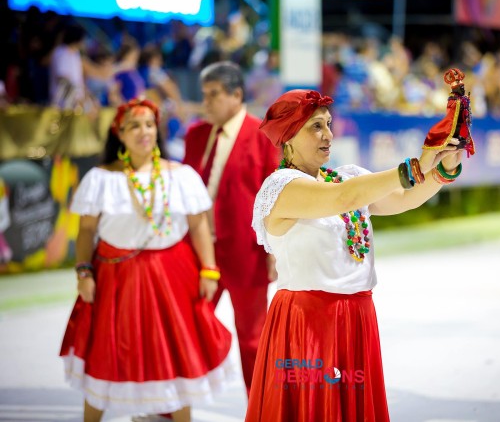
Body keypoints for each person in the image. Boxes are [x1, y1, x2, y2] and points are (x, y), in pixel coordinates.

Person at [246, 89, 464, 421]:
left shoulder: (345, 176)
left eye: (329, 124)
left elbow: (403, 199)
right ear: (288, 137)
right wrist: (414, 166)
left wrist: (444, 167)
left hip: (357, 318)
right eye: (315, 126)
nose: (328, 135)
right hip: (308, 323)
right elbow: (343, 198)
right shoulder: (282, 188)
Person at [59, 98, 233, 422]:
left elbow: (198, 226)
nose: (144, 132)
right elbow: (86, 232)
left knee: (177, 356)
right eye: (135, 126)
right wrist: (84, 272)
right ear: (120, 134)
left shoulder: (180, 175)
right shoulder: (101, 178)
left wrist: (209, 270)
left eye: (150, 124)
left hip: (173, 277)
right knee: (106, 354)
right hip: (115, 277)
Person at [182, 61, 280, 395]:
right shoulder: (195, 135)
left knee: (253, 338)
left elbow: (274, 195)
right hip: (198, 252)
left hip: (245, 251)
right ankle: (169, 406)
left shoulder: (262, 135)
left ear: (236, 95)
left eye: (213, 95)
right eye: (203, 95)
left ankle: (261, 409)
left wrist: (273, 250)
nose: (205, 102)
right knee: (185, 326)